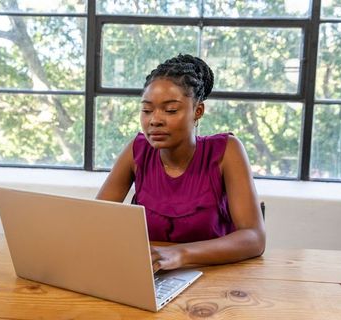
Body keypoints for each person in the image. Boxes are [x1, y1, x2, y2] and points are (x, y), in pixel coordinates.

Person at [96, 54, 265, 272]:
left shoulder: (227, 150)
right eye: (147, 110)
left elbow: (254, 238)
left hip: (215, 277)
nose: (155, 120)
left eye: (171, 110)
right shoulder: (137, 151)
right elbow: (96, 221)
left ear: (198, 111)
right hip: (152, 276)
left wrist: (180, 253)